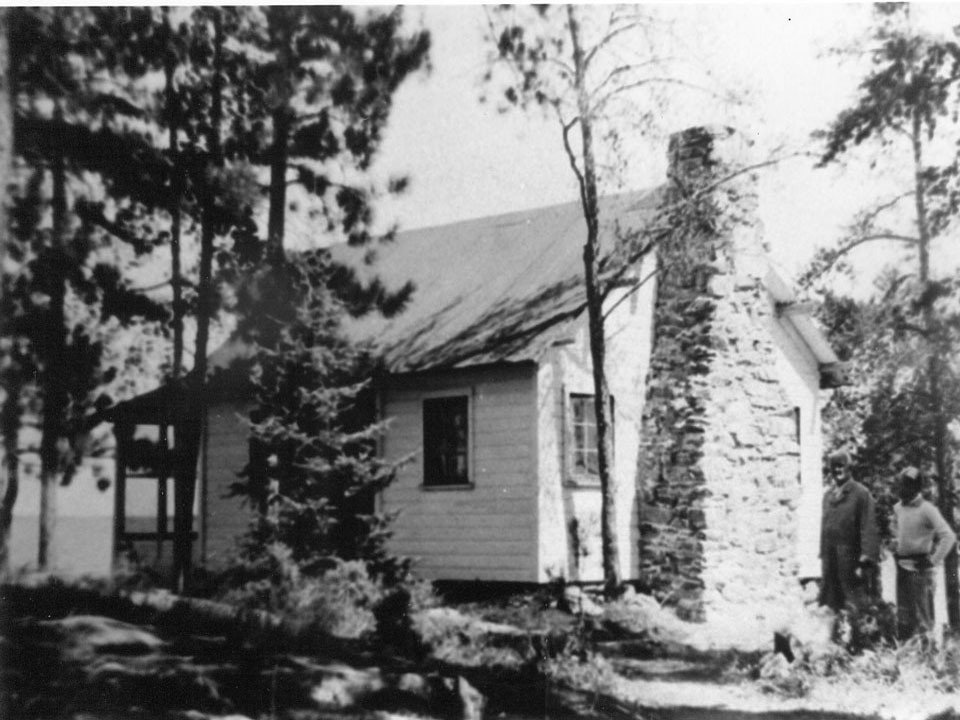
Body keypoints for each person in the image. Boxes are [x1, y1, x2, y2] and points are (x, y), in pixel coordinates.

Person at [891, 466, 956, 641]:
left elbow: (948, 536)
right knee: (904, 615)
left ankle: (927, 657)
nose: (900, 489)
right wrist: (896, 543)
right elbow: (900, 530)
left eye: (905, 485)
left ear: (915, 488)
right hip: (901, 567)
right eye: (900, 484)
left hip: (920, 569)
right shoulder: (898, 508)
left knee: (923, 617)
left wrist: (933, 561)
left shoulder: (927, 509)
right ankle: (908, 658)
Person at [819, 450, 880, 612]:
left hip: (851, 561)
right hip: (831, 559)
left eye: (841, 466)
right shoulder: (828, 496)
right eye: (833, 467)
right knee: (831, 606)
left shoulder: (861, 494)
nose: (837, 471)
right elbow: (825, 527)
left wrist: (864, 562)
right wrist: (823, 553)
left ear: (849, 468)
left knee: (854, 607)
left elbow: (868, 528)